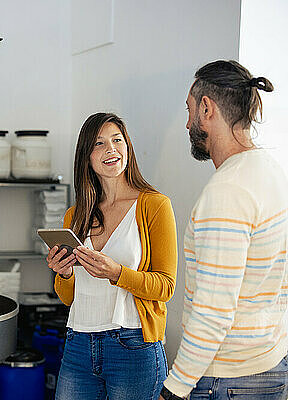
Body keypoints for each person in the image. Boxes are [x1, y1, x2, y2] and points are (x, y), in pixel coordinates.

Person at [159, 60, 288, 400]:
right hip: (269, 365)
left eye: (190, 111)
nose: (188, 123)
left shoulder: (227, 192)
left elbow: (213, 312)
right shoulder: (272, 171)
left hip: (227, 379)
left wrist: (174, 389)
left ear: (207, 108)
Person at [47, 112, 178, 400]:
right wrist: (64, 273)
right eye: (99, 143)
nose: (111, 149)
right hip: (79, 344)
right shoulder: (75, 215)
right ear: (87, 157)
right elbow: (69, 298)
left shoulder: (154, 205)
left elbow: (166, 287)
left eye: (117, 140)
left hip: (133, 345)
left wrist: (117, 273)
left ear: (128, 147)